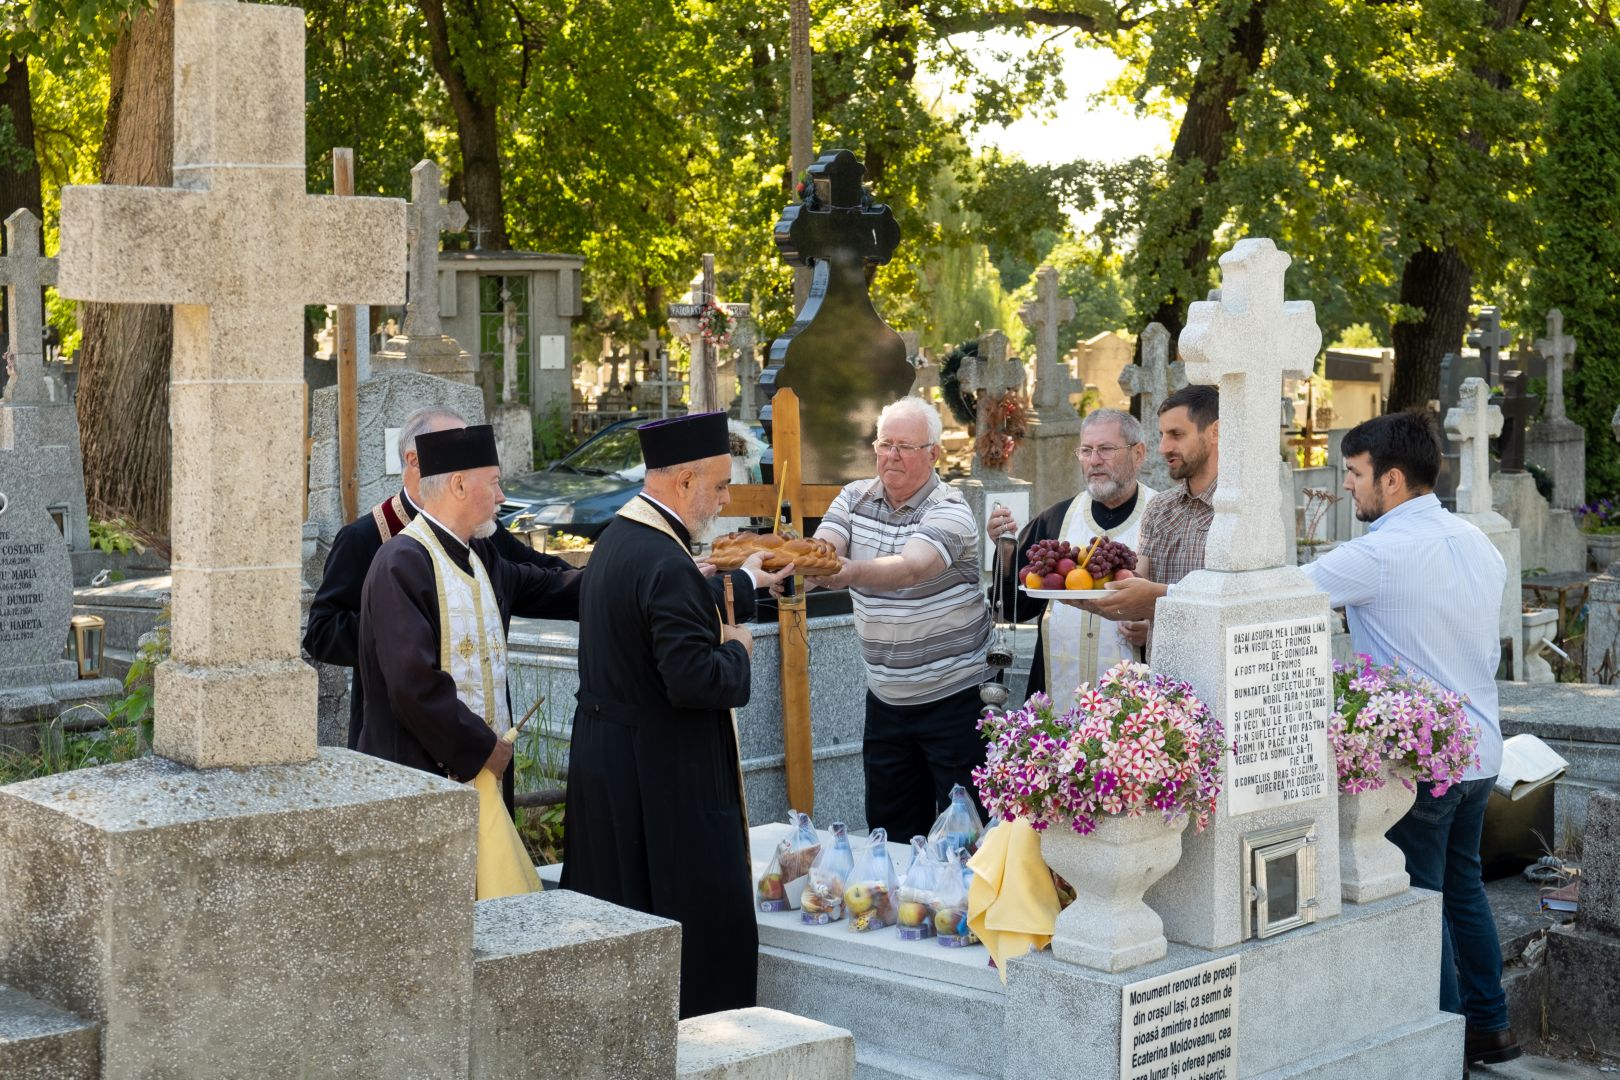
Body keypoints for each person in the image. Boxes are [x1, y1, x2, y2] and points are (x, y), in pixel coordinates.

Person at [1299, 411, 1518, 1069]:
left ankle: (1443, 1044)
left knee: (1420, 902)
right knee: (1464, 887)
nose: (1349, 489)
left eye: (1356, 475)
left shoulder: (1377, 552)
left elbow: (1273, 597)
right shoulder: (1475, 539)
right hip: (1480, 747)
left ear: (1391, 480)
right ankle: (1491, 1026)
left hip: (1420, 762)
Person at [560, 411, 793, 1020]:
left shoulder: (619, 539)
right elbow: (695, 678)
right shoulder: (664, 561)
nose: (723, 499)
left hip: (612, 763)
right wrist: (739, 649)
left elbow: (667, 610)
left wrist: (735, 584)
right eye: (717, 485)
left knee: (618, 917)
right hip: (664, 777)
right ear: (685, 480)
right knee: (685, 930)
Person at [303, 407, 569, 750]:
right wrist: (406, 634)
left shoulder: (480, 532)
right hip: (400, 735)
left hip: (482, 727)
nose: (465, 450)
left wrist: (607, 576)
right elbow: (321, 633)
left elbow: (537, 574)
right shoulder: (365, 537)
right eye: (454, 443)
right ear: (415, 459)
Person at [355, 424, 581, 794]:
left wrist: (647, 573)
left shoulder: (480, 555)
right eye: (493, 482)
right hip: (420, 778)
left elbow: (553, 587)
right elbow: (414, 685)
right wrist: (480, 748)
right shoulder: (402, 562)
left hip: (484, 771)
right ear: (459, 485)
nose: (502, 496)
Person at [809, 395, 993, 842]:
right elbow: (823, 548)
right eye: (884, 443)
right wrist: (790, 570)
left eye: (905, 447)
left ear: (933, 454)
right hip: (886, 701)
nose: (891, 455)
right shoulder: (853, 496)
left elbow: (912, 567)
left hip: (955, 700)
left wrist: (847, 572)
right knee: (889, 834)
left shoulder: (949, 509)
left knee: (965, 837)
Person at [987, 408, 1156, 708]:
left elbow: (1187, 609)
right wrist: (1006, 551)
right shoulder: (1056, 520)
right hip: (1057, 698)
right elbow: (1014, 608)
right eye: (1086, 450)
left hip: (1135, 718)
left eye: (1106, 449)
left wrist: (1153, 632)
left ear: (1138, 453)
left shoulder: (1162, 517)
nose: (1094, 460)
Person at [1080, 384, 1220, 652]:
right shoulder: (1160, 508)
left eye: (1176, 434)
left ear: (1215, 432)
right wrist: (1084, 592)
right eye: (1162, 435)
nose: (1163, 447)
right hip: (1164, 679)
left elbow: (1239, 604)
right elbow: (1134, 591)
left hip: (1220, 672)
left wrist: (1155, 598)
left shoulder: (1241, 511)